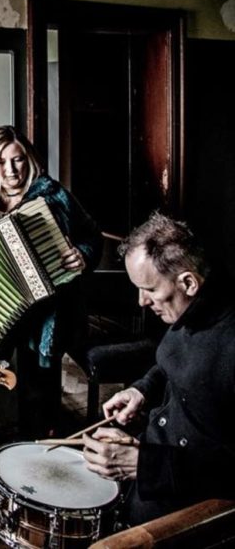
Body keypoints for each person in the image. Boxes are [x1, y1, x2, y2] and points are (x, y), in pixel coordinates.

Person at [0, 125, 102, 438]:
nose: (11, 170)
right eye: (2, 162)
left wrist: (82, 254)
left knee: (38, 400)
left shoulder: (53, 196)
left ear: (29, 160)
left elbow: (91, 235)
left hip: (42, 317)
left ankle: (35, 467)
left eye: (18, 160)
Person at [82, 212, 235, 526]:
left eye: (149, 289)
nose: (141, 301)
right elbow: (169, 364)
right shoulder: (188, 308)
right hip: (155, 464)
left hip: (195, 508)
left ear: (188, 282)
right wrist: (142, 389)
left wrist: (145, 465)